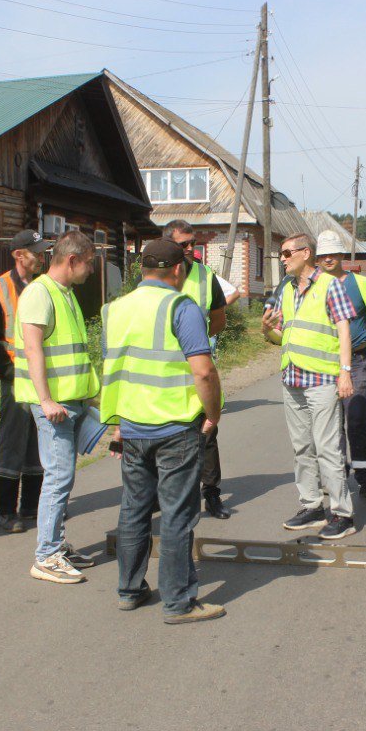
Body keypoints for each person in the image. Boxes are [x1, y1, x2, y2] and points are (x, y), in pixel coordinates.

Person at [102, 239, 226, 624]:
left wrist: (117, 423)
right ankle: (178, 602)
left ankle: (130, 589)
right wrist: (213, 414)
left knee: (134, 509)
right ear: (178, 271)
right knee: (176, 514)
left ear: (142, 269)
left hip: (132, 425)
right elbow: (203, 370)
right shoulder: (181, 307)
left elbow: (115, 367)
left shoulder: (114, 309)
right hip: (174, 427)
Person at [16, 230, 101, 584]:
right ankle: (46, 555)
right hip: (53, 405)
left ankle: (57, 545)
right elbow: (33, 348)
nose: (92, 272)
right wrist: (46, 399)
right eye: (90, 264)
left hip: (71, 401)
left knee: (63, 476)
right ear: (72, 260)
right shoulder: (40, 293)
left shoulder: (63, 293)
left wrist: (91, 396)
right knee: (58, 476)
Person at [261, 232, 358, 539]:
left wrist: (345, 372)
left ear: (306, 253)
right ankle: (312, 506)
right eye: (282, 254)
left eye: (287, 253)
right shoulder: (287, 289)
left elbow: (344, 329)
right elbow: (283, 336)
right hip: (293, 378)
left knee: (328, 447)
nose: (283, 258)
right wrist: (267, 330)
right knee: (302, 447)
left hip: (323, 379)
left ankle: (342, 514)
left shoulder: (330, 285)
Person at [313, 229, 366, 504]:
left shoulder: (361, 284)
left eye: (332, 254)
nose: (328, 259)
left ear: (341, 255)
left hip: (357, 361)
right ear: (317, 257)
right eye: (323, 255)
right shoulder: (312, 286)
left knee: (357, 420)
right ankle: (334, 479)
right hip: (323, 363)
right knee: (328, 426)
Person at [0, 228, 50, 533]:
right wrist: (10, 374)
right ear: (18, 255)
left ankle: (31, 507)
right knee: (11, 443)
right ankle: (6, 511)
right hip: (13, 379)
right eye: (36, 252)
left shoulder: (40, 286)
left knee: (36, 443)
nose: (42, 257)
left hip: (39, 379)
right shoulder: (0, 287)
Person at [164, 220, 230, 519]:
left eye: (192, 243)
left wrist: (200, 342)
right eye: (183, 244)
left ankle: (212, 493)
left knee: (207, 428)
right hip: (164, 369)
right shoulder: (157, 273)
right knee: (164, 432)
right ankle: (163, 494)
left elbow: (219, 319)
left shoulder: (205, 276)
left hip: (197, 364)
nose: (190, 249)